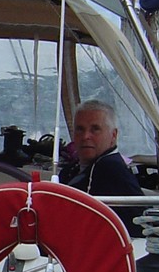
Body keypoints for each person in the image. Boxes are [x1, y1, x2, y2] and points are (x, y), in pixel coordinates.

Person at [60, 98, 145, 235]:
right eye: (80, 129)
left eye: (95, 129)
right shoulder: (70, 170)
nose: (85, 136)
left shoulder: (111, 170)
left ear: (113, 135)